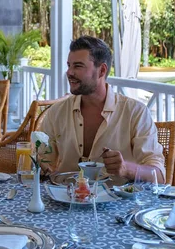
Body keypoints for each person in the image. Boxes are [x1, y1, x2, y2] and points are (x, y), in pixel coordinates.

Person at [42, 36, 165, 184]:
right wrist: (39, 166)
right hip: (65, 201)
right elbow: (42, 163)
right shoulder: (56, 113)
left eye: (78, 66)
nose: (69, 72)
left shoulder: (135, 113)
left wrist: (126, 169)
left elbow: (158, 175)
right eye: (69, 65)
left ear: (101, 70)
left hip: (118, 204)